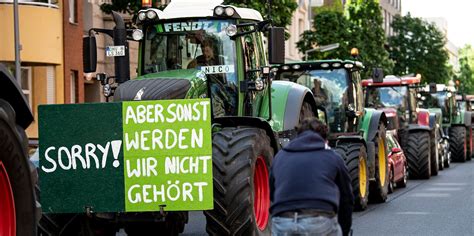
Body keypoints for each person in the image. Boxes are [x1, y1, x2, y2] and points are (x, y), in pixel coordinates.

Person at [270, 118, 354, 236]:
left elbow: (272, 193)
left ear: (299, 135)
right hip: (319, 221)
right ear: (324, 139)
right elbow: (347, 199)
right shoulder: (333, 157)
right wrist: (345, 231)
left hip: (282, 222)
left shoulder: (280, 157)